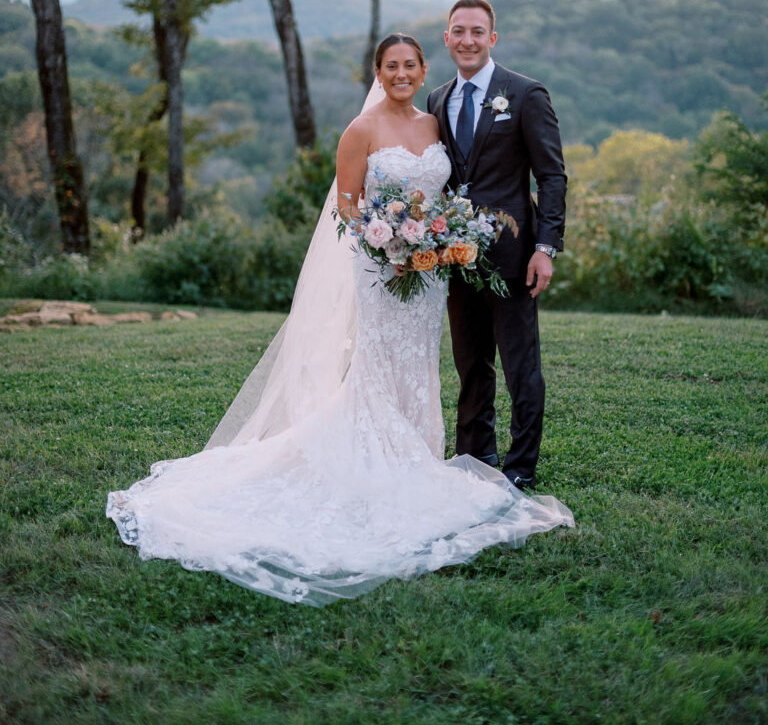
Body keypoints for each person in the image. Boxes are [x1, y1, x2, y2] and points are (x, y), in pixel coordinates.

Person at [106, 32, 573, 607]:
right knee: (379, 365)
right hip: (382, 272)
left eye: (410, 65)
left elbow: (447, 192)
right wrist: (390, 243)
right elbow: (349, 209)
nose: (402, 74)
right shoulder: (361, 130)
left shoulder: (433, 124)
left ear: (424, 70)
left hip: (429, 275)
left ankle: (416, 459)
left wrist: (434, 237)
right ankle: (376, 464)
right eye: (391, 66)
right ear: (378, 71)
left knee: (423, 365)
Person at [427, 0, 567, 490]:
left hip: (514, 258)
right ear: (446, 38)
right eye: (458, 31)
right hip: (457, 259)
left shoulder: (525, 94)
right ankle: (474, 455)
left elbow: (552, 177)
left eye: (477, 31)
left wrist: (545, 248)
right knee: (470, 364)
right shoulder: (438, 99)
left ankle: (521, 466)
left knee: (520, 367)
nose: (467, 40)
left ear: (492, 38)